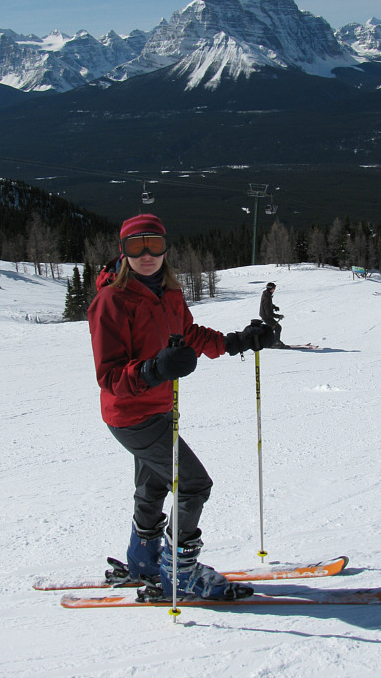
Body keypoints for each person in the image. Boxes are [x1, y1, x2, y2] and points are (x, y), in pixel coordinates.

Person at [87, 213, 274, 601]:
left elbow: (187, 335)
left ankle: (144, 557)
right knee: (193, 484)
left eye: (153, 245)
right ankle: (180, 572)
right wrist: (155, 369)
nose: (146, 255)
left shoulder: (169, 292)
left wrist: (236, 342)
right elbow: (109, 377)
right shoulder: (112, 300)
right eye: (135, 247)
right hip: (131, 415)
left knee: (155, 481)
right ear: (123, 252)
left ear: (165, 249)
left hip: (159, 408)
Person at [259, 281, 286, 347]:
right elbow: (268, 313)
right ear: (271, 288)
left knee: (272, 329)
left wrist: (274, 307)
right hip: (266, 317)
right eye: (274, 288)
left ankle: (273, 341)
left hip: (265, 315)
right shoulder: (267, 297)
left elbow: (267, 305)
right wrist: (278, 316)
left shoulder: (266, 294)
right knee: (277, 328)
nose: (274, 289)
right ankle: (276, 343)